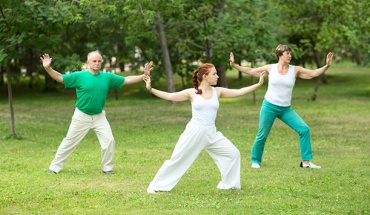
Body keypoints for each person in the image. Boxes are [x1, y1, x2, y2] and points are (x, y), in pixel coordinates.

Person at [143, 63, 266, 193]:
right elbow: (169, 96)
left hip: (211, 132)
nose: (217, 76)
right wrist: (150, 88)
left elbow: (239, 91)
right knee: (178, 159)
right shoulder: (192, 93)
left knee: (233, 153)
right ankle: (156, 185)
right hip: (194, 132)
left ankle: (229, 184)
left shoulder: (218, 91)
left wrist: (258, 84)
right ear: (205, 76)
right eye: (214, 74)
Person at [40, 51, 152, 174]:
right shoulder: (79, 76)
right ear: (88, 63)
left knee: (109, 141)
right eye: (94, 61)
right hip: (81, 116)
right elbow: (60, 77)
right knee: (69, 142)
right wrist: (48, 68)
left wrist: (143, 76)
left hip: (99, 116)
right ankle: (54, 168)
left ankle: (107, 168)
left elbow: (126, 80)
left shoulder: (107, 77)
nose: (97, 63)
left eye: (99, 61)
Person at [229, 44, 333, 169]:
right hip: (269, 106)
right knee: (262, 134)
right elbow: (251, 71)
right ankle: (255, 160)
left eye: (290, 53)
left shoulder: (295, 70)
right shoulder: (270, 68)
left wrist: (326, 66)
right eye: (287, 53)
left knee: (304, 129)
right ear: (280, 55)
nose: (290, 55)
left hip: (285, 109)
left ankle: (306, 162)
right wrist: (234, 65)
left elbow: (314, 73)